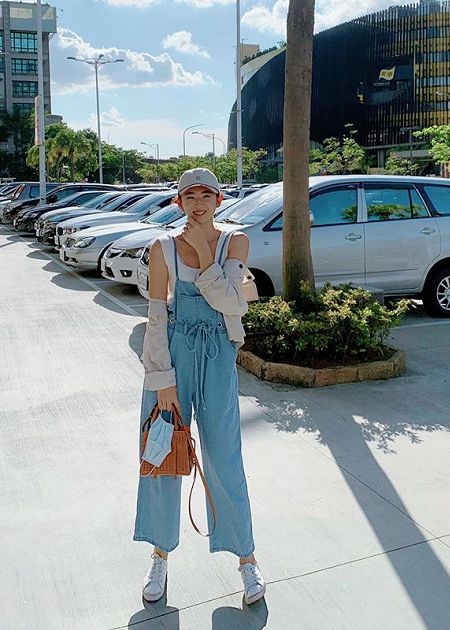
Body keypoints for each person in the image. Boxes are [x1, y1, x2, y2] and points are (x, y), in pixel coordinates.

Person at [133, 167, 266, 606]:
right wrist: (162, 380)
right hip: (173, 357)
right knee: (162, 455)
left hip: (218, 357)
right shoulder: (163, 247)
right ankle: (159, 555)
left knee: (225, 456)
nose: (198, 203)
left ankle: (247, 560)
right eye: (189, 196)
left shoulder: (235, 242)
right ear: (178, 202)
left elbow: (231, 302)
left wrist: (206, 256)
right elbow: (156, 316)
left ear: (219, 200)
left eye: (206, 194)